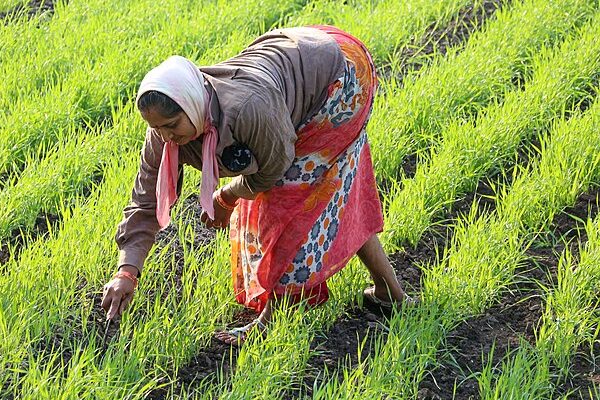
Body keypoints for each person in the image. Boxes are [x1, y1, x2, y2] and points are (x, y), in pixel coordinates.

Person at [101, 25, 413, 346]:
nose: (166, 136)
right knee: (335, 193)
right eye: (156, 128)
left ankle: (269, 320)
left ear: (193, 101)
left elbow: (275, 169)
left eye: (171, 125)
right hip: (299, 62)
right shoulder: (164, 136)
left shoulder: (247, 108)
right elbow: (146, 201)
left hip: (341, 78)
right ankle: (388, 293)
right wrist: (127, 271)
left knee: (288, 204)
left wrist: (229, 194)